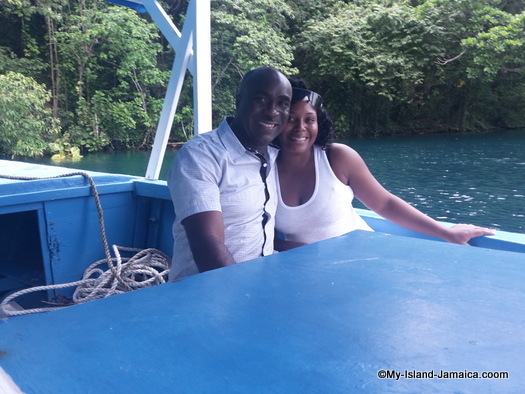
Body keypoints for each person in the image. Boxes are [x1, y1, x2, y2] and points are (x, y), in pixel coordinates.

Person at [273, 80, 495, 251]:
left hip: (368, 258)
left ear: (318, 123)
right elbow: (262, 232)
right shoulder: (262, 169)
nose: (300, 127)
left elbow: (385, 203)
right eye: (291, 118)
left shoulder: (337, 157)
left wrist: (446, 233)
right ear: (277, 121)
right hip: (307, 271)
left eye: (309, 119)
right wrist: (299, 251)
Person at [167, 67, 292, 280]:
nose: (272, 111)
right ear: (239, 101)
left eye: (282, 103)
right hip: (202, 294)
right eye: (261, 99)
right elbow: (209, 248)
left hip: (259, 282)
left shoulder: (273, 155)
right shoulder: (201, 155)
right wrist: (245, 301)